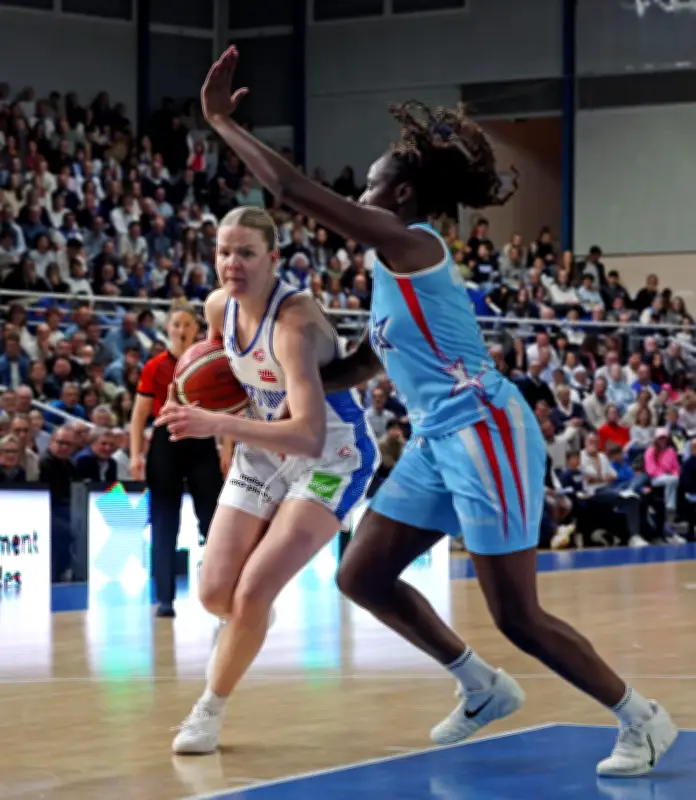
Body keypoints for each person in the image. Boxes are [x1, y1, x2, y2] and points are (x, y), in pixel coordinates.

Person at [192, 45, 678, 778]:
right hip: (433, 439)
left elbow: (289, 188)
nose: (363, 193)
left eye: (373, 185)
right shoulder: (390, 268)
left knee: (516, 614)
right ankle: (480, 685)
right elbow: (366, 362)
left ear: (405, 195)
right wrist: (274, 382)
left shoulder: (412, 243)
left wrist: (223, 123)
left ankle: (642, 719)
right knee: (361, 575)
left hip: (485, 431)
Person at [157, 205, 379, 755]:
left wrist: (216, 426)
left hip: (331, 456)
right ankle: (251, 619)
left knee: (253, 589)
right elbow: (222, 376)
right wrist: (208, 414)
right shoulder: (218, 306)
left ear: (273, 258)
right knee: (214, 593)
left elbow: (308, 434)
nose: (231, 263)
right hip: (259, 446)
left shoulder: (294, 325)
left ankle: (208, 711)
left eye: (246, 253)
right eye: (223, 252)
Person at [130, 304, 223, 618]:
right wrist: (135, 454)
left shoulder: (210, 362)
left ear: (196, 329)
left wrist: (227, 449)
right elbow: (138, 416)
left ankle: (220, 594)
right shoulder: (154, 366)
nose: (181, 329)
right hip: (165, 442)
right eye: (176, 324)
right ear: (167, 329)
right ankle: (165, 599)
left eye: (187, 324)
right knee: (164, 521)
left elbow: (228, 410)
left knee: (213, 521)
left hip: (202, 440)